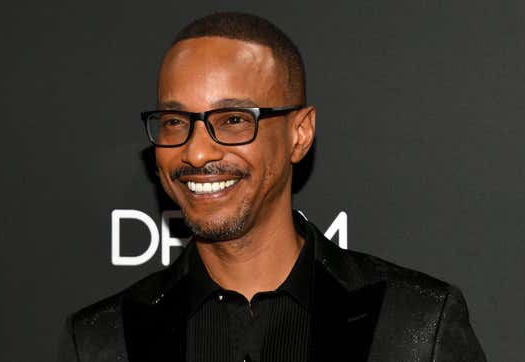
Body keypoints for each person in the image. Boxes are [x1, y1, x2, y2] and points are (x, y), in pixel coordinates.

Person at [58, 12, 486, 362]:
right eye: (175, 122)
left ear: (299, 134)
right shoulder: (102, 341)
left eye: (233, 120)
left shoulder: (413, 324)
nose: (197, 152)